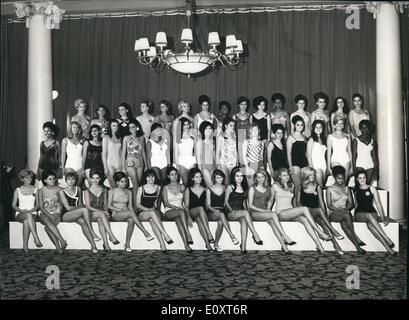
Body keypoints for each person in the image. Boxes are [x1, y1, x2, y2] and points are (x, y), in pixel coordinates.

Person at [271, 168, 331, 253]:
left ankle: (319, 246)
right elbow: (271, 200)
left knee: (305, 219)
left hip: (290, 211)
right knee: (304, 208)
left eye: (288, 175)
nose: (287, 177)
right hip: (281, 213)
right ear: (279, 177)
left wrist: (297, 210)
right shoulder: (275, 186)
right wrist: (267, 211)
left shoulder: (292, 186)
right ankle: (319, 232)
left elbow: (294, 201)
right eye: (284, 175)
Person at [297, 167, 345, 255]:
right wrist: (303, 212)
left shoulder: (317, 186)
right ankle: (334, 231)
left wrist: (325, 213)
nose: (312, 176)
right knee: (319, 210)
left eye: (313, 175)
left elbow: (321, 201)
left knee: (324, 223)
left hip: (315, 212)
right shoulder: (300, 186)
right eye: (310, 174)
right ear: (305, 175)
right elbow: (297, 202)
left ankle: (336, 245)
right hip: (305, 212)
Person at [248, 169, 295, 254]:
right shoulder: (252, 189)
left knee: (273, 223)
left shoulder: (267, 188)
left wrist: (267, 209)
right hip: (254, 213)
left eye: (262, 177)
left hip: (265, 213)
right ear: (255, 178)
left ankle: (284, 246)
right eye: (258, 177)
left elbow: (270, 200)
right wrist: (265, 211)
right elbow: (250, 206)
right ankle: (285, 236)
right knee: (273, 215)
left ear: (265, 177)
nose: (261, 179)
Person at [108, 171, 154, 252]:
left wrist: (134, 214)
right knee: (130, 213)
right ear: (117, 182)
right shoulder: (112, 191)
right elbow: (109, 206)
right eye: (122, 181)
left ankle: (127, 244)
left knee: (131, 220)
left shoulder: (129, 192)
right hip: (116, 214)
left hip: (127, 213)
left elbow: (130, 206)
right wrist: (118, 209)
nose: (124, 183)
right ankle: (145, 232)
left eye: (125, 181)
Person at [353, 169, 396, 255]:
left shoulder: (372, 188)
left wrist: (383, 218)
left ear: (366, 178)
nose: (362, 180)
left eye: (364, 178)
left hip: (372, 213)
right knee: (368, 216)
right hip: (360, 214)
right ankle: (387, 238)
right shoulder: (356, 189)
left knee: (370, 226)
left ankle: (388, 249)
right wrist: (354, 216)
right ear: (357, 179)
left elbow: (378, 204)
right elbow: (356, 204)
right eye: (360, 178)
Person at [326, 166, 367, 254]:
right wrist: (340, 210)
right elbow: (329, 205)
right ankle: (356, 240)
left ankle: (357, 247)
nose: (341, 180)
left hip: (344, 212)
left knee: (345, 225)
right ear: (334, 178)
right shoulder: (329, 189)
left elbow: (351, 204)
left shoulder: (346, 188)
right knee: (347, 215)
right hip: (333, 213)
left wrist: (345, 209)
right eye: (339, 178)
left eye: (343, 178)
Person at [224, 166, 263, 253]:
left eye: (241, 176)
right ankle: (255, 234)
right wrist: (231, 210)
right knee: (245, 213)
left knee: (244, 221)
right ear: (233, 177)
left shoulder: (245, 188)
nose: (239, 178)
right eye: (237, 176)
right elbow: (226, 201)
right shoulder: (230, 187)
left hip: (241, 212)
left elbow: (246, 203)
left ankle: (243, 246)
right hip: (231, 212)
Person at [59, 170, 99, 253]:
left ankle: (93, 245)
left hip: (76, 213)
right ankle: (92, 232)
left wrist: (80, 208)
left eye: (73, 179)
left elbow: (80, 203)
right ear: (66, 180)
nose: (70, 181)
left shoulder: (79, 189)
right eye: (69, 179)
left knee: (83, 222)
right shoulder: (62, 191)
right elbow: (68, 208)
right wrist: (80, 208)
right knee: (84, 209)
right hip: (66, 215)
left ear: (76, 180)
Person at [135, 169, 174, 252]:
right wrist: (148, 209)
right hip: (142, 212)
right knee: (152, 213)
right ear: (145, 178)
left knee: (153, 220)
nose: (151, 179)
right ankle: (165, 234)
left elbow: (156, 203)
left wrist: (157, 211)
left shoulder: (158, 188)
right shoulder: (141, 188)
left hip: (153, 211)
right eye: (148, 177)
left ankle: (162, 245)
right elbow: (137, 204)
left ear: (155, 177)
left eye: (152, 177)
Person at [83, 168, 120, 251]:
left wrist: (106, 211)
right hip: (91, 214)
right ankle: (111, 235)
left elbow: (106, 205)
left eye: (97, 178)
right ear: (90, 179)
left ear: (100, 179)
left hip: (101, 214)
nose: (95, 180)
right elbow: (88, 207)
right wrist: (103, 212)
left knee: (101, 220)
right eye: (93, 178)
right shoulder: (87, 191)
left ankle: (106, 245)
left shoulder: (104, 190)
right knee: (101, 215)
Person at [206, 169, 239, 251]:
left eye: (221, 177)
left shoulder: (225, 188)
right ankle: (232, 236)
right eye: (217, 177)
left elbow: (226, 202)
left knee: (221, 221)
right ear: (214, 178)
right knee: (221, 215)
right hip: (212, 212)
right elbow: (208, 205)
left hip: (222, 211)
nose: (220, 179)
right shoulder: (209, 189)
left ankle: (216, 244)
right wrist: (214, 210)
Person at [161, 166, 193, 251]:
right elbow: (166, 203)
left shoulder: (182, 186)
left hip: (180, 212)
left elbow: (186, 203)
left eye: (175, 174)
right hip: (169, 211)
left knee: (179, 221)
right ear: (168, 176)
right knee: (181, 212)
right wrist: (176, 208)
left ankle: (186, 245)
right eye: (172, 174)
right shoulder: (165, 187)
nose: (174, 176)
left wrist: (188, 216)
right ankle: (188, 233)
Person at [12, 169, 43, 252]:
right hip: (20, 214)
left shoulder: (36, 190)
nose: (29, 180)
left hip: (33, 214)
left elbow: (38, 205)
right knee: (27, 216)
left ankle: (25, 246)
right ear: (22, 179)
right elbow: (13, 205)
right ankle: (36, 238)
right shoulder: (17, 190)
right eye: (26, 178)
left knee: (27, 221)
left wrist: (32, 209)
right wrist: (21, 211)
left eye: (30, 178)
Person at [184, 168, 214, 251]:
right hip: (191, 212)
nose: (200, 178)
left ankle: (208, 245)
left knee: (199, 220)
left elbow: (207, 205)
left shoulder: (205, 189)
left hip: (202, 214)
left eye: (200, 176)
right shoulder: (188, 189)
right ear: (192, 178)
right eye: (197, 177)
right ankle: (209, 233)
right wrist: (189, 217)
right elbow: (186, 206)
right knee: (200, 209)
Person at [37, 171, 67, 254]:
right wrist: (49, 214)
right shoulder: (41, 191)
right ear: (45, 180)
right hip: (44, 213)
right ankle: (62, 240)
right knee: (46, 219)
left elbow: (63, 204)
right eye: (50, 179)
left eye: (53, 179)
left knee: (47, 228)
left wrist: (57, 213)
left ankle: (58, 248)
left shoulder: (59, 190)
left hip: (56, 213)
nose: (52, 180)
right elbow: (41, 207)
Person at [122, 119, 147, 203]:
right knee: (135, 184)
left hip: (140, 162)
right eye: (130, 127)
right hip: (130, 161)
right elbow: (123, 153)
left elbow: (143, 152)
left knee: (137, 185)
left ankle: (133, 204)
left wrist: (146, 164)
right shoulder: (126, 138)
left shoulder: (142, 138)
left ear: (137, 127)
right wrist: (123, 167)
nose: (131, 129)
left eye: (133, 127)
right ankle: (135, 206)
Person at [352, 120, 379, 185]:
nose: (364, 130)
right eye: (362, 128)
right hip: (359, 165)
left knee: (367, 186)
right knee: (359, 186)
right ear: (360, 129)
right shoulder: (356, 140)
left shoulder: (373, 142)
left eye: (366, 128)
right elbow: (354, 156)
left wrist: (376, 170)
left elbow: (375, 157)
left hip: (370, 165)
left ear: (369, 129)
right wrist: (354, 169)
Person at [61, 121, 85, 186]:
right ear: (70, 128)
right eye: (74, 127)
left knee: (78, 187)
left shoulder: (83, 140)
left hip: (80, 166)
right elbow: (63, 155)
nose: (75, 129)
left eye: (77, 127)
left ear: (79, 129)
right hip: (69, 166)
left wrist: (83, 168)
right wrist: (62, 167)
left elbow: (84, 155)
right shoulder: (65, 140)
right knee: (70, 187)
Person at [287, 115, 308, 188]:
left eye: (302, 125)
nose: (300, 126)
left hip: (304, 163)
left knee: (305, 186)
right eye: (298, 125)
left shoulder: (305, 137)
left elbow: (306, 153)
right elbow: (288, 154)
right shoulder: (291, 137)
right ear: (295, 126)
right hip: (295, 163)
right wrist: (290, 167)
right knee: (298, 186)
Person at [174, 117, 196, 185]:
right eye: (184, 125)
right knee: (185, 182)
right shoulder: (177, 136)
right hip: (181, 161)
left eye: (187, 124)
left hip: (191, 160)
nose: (187, 126)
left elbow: (196, 149)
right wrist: (177, 165)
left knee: (192, 182)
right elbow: (176, 152)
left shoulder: (193, 134)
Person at [216, 117, 238, 185]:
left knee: (233, 183)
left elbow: (235, 149)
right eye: (230, 125)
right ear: (226, 126)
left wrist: (237, 161)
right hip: (224, 162)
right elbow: (217, 151)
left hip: (233, 161)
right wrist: (218, 164)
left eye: (233, 125)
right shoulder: (221, 136)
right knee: (226, 183)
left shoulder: (234, 134)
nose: (233, 127)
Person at [306, 120, 328, 187]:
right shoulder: (311, 139)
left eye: (320, 127)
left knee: (321, 186)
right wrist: (311, 167)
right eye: (316, 127)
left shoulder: (324, 139)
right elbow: (308, 155)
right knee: (319, 186)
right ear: (313, 128)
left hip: (323, 165)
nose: (318, 129)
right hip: (315, 165)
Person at [102, 120, 122, 188]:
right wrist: (105, 168)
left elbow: (121, 153)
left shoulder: (120, 138)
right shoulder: (106, 137)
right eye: (113, 126)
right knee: (113, 186)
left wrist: (123, 165)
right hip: (110, 163)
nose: (115, 127)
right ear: (110, 127)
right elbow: (104, 153)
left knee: (119, 186)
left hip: (119, 163)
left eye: (117, 126)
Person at [196, 121, 216, 187]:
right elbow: (198, 157)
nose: (208, 130)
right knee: (211, 186)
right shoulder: (200, 142)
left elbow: (214, 155)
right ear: (202, 130)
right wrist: (199, 169)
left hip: (213, 166)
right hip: (204, 167)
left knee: (213, 185)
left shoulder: (213, 141)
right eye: (206, 129)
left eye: (210, 128)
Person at [233, 96, 251, 166]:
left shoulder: (250, 116)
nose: (243, 106)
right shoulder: (235, 116)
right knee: (241, 159)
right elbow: (233, 130)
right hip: (239, 139)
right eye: (241, 104)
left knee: (248, 159)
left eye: (245, 104)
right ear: (238, 105)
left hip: (248, 139)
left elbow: (251, 129)